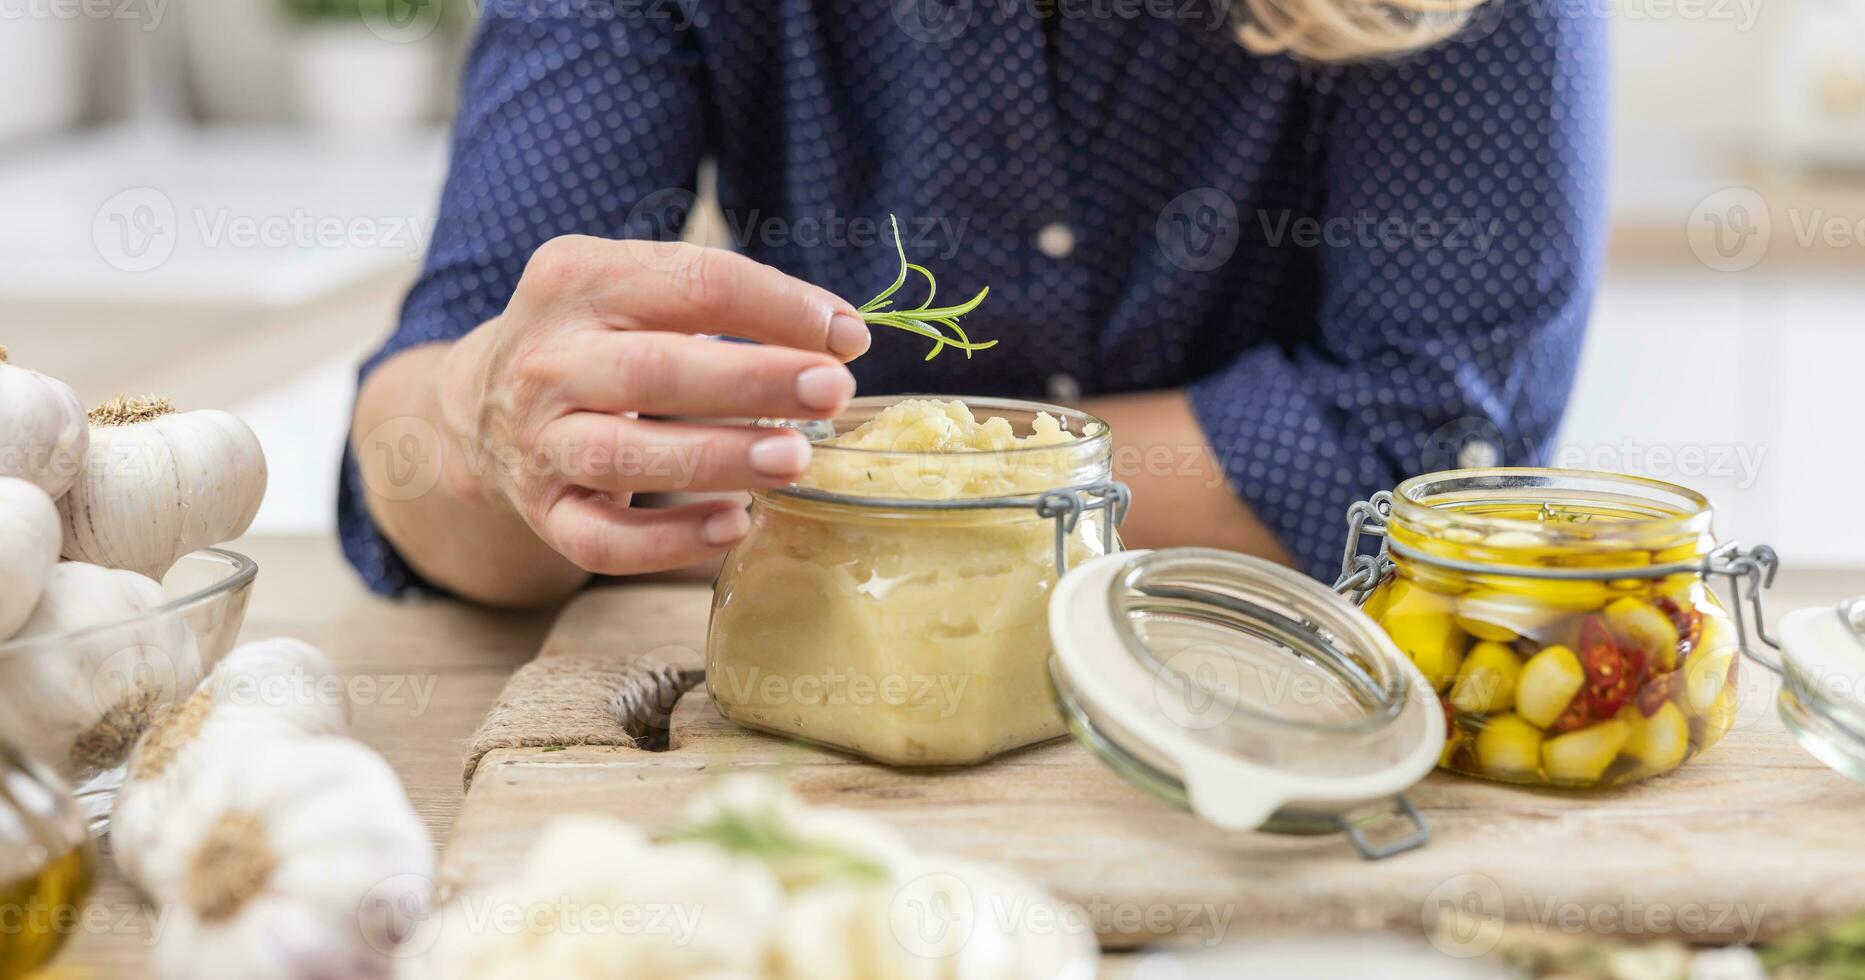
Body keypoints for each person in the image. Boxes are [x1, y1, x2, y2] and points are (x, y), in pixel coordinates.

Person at [344, 0, 1605, 607]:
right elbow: (412, 459)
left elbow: (1425, 458)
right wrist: (494, 424)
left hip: (1278, 712)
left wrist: (813, 472)